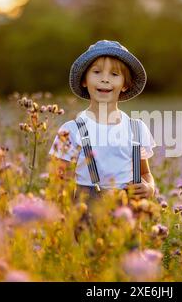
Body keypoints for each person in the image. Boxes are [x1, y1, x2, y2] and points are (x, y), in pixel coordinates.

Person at [49, 40, 156, 202]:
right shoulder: (72, 130)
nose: (105, 79)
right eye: (97, 72)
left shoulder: (136, 129)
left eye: (114, 74)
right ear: (84, 81)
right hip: (85, 211)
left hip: (128, 216)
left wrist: (150, 187)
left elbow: (144, 174)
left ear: (125, 84)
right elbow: (59, 181)